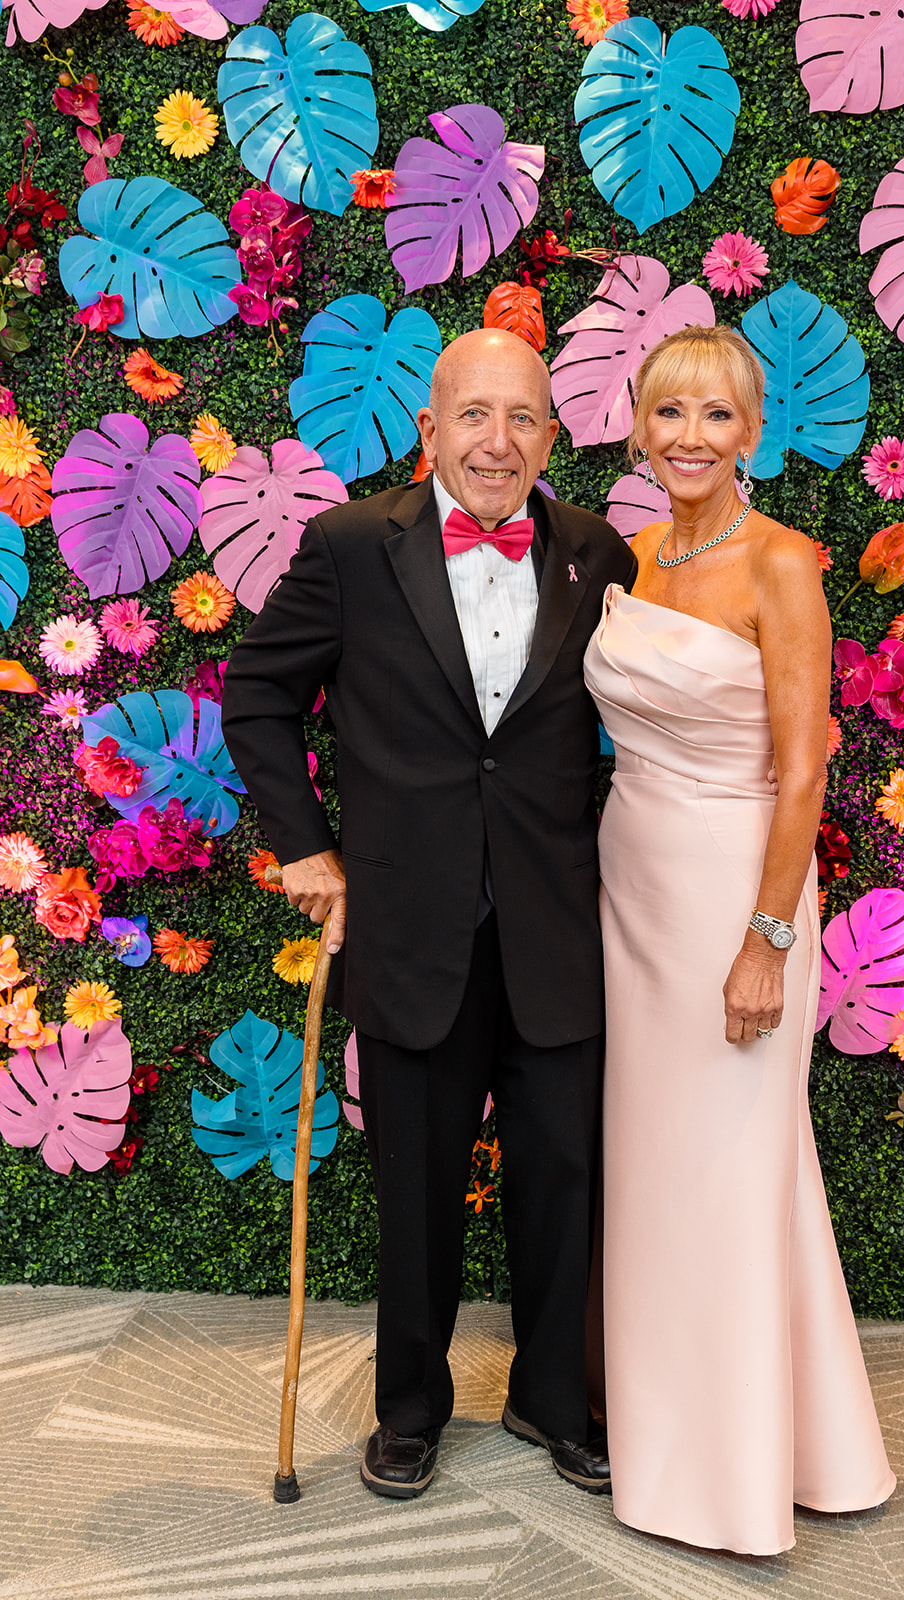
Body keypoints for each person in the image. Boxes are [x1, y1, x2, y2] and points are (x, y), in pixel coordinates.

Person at [222, 328, 637, 1502]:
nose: (496, 441)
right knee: (414, 1188)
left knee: (563, 1179)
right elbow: (257, 693)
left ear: (550, 435)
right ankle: (407, 1408)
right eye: (473, 414)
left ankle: (551, 1397)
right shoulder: (351, 545)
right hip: (409, 929)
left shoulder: (597, 553)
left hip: (557, 927)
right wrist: (304, 844)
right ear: (429, 428)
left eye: (522, 417)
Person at [583, 325, 896, 1555]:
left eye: (715, 415)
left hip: (734, 897)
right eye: (668, 413)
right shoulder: (631, 558)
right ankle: (670, 1430)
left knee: (727, 1165)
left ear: (751, 432)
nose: (689, 437)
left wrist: (765, 940)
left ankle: (733, 1471)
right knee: (654, 1166)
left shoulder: (780, 563)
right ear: (637, 429)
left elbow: (801, 774)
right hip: (631, 893)